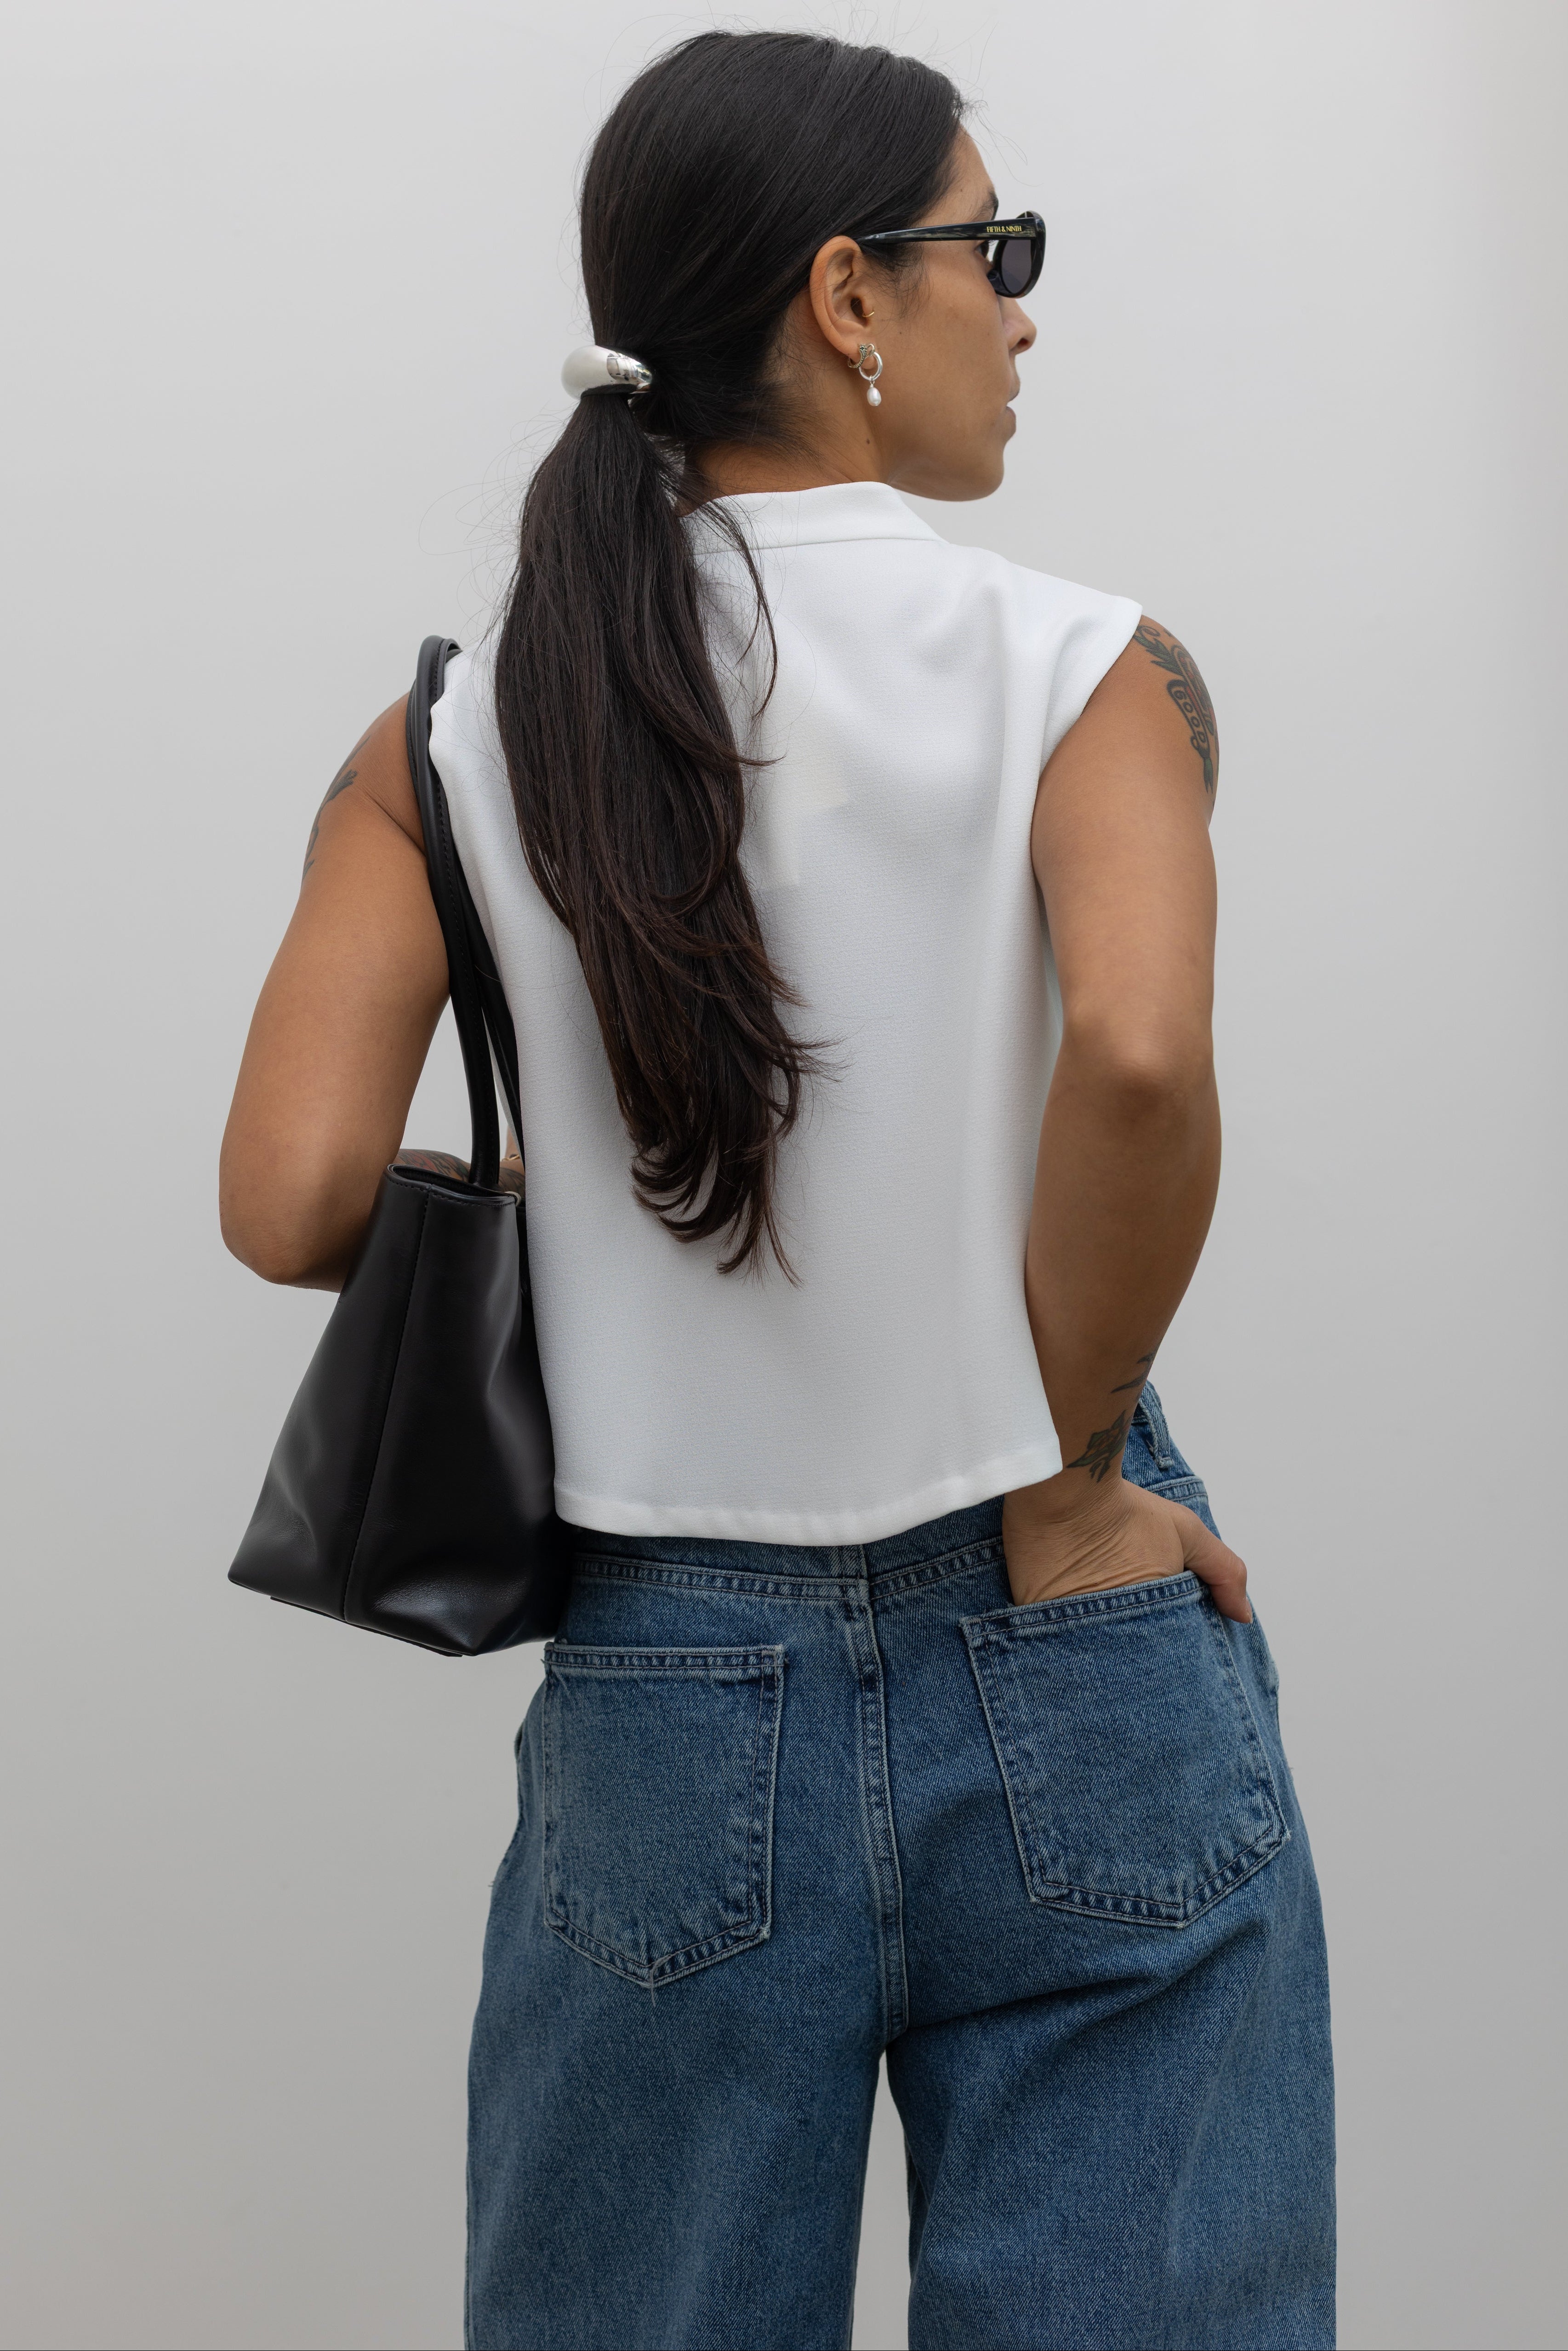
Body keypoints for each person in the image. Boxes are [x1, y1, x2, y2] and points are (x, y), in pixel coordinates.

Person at [220, 30, 1333, 2351]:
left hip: (666, 1682)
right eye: (986, 253)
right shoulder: (1082, 667)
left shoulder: (462, 724)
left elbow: (294, 1194)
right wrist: (1066, 1476)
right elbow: (1133, 1052)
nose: (1017, 310)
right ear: (848, 294)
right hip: (1078, 1649)